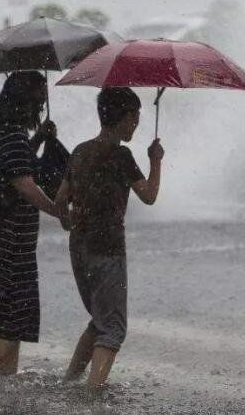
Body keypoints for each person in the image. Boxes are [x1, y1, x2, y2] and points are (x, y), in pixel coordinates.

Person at [54, 87, 164, 390]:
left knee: (99, 319)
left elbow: (60, 199)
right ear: (125, 117)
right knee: (113, 328)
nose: (137, 124)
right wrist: (155, 160)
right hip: (108, 248)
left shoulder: (79, 151)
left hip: (79, 247)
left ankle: (69, 381)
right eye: (136, 118)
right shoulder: (121, 155)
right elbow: (150, 196)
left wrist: (67, 224)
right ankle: (91, 396)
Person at [0, 71, 58, 383]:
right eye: (40, 101)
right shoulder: (12, 135)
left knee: (12, 317)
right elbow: (24, 184)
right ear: (28, 102)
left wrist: (38, 140)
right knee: (10, 320)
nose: (42, 107)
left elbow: (6, 168)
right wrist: (61, 213)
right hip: (8, 242)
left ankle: (8, 382)